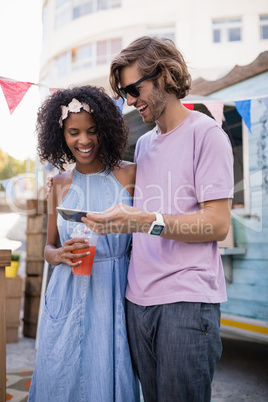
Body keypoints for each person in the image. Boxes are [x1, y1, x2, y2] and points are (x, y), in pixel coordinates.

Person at [81, 37, 234, 402]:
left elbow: (217, 224)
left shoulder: (207, 134)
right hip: (137, 301)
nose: (130, 102)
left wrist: (144, 220)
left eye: (135, 89)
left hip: (186, 301)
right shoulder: (145, 144)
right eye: (125, 95)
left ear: (164, 75)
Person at [28, 85, 140, 401]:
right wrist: (59, 254)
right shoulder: (60, 183)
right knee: (61, 374)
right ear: (60, 135)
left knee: (106, 373)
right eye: (74, 132)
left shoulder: (130, 174)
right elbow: (47, 248)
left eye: (92, 131)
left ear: (104, 129)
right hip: (65, 290)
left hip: (112, 292)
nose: (84, 140)